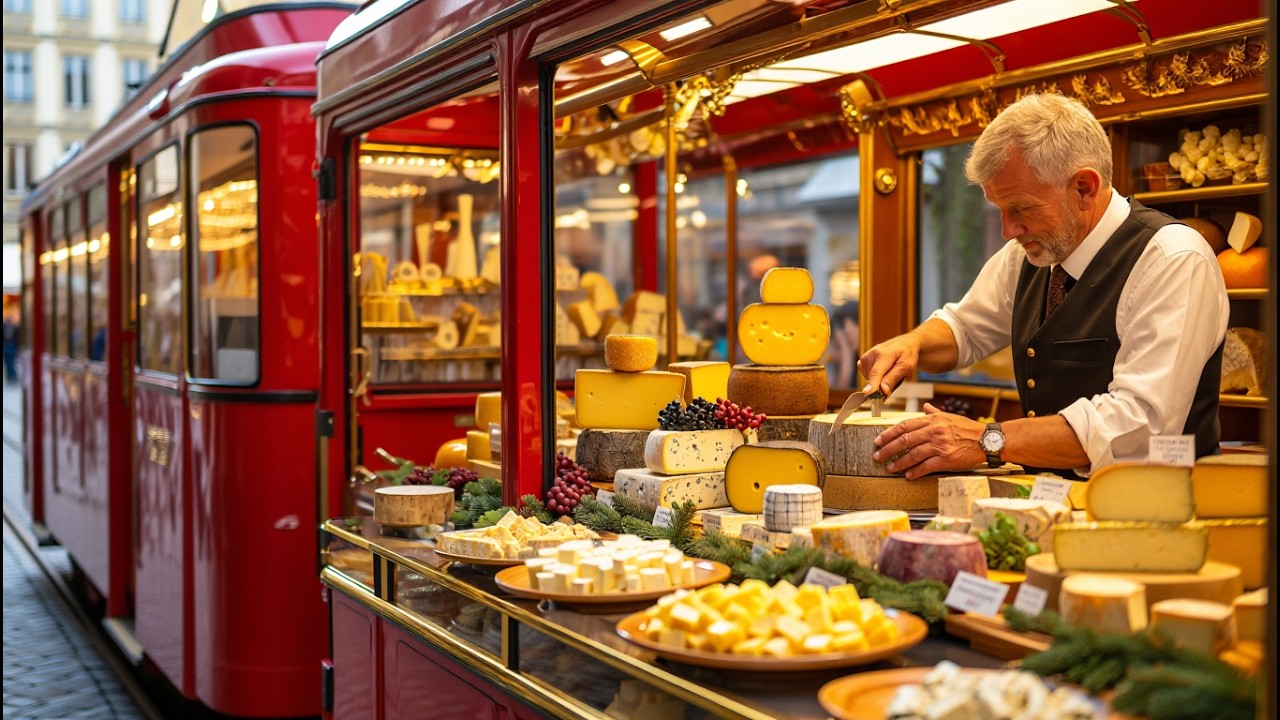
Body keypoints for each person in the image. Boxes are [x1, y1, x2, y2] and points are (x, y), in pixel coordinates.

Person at [860, 93, 1228, 481]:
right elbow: (966, 328)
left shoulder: (1172, 259)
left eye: (1021, 208)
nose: (1008, 230)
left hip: (1155, 516)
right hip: (1053, 504)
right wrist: (913, 344)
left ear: (1084, 187)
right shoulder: (1028, 255)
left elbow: (1136, 425)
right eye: (999, 210)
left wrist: (987, 439)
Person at [3, 304, 19, 384]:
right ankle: (10, 376)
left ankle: (12, 376)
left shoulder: (16, 327)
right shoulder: (6, 325)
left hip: (12, 346)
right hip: (6, 346)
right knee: (8, 362)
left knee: (11, 362)